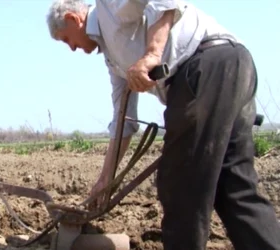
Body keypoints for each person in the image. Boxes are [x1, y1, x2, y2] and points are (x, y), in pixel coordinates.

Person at [45, 0, 280, 249]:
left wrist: (152, 54)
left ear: (73, 19)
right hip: (233, 64)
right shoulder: (115, 61)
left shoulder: (108, 7)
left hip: (205, 65)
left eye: (65, 40)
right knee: (233, 187)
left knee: (179, 186)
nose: (71, 48)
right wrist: (106, 179)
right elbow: (124, 121)